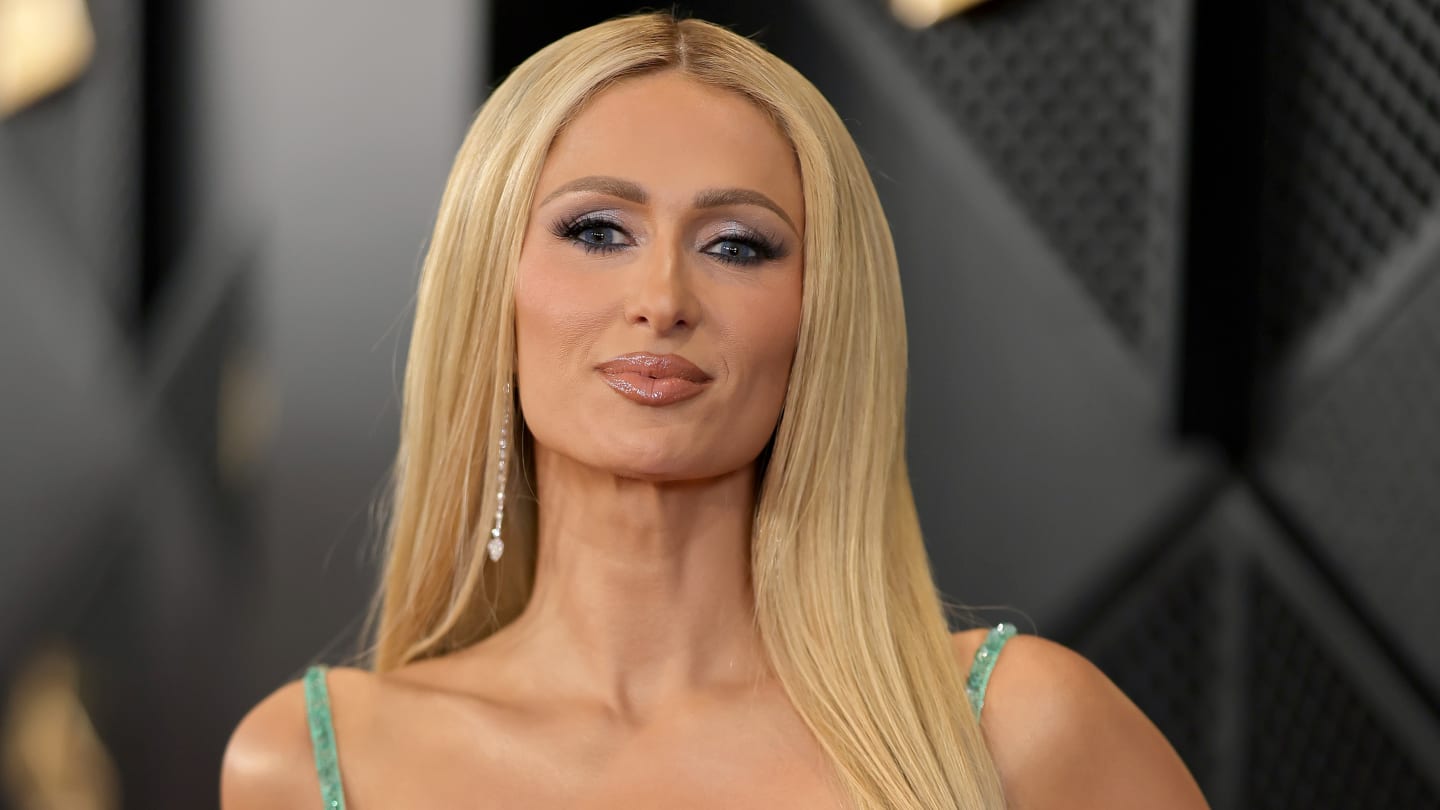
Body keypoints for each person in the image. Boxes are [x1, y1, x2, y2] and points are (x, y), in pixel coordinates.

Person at [220, 12, 1209, 809]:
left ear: (821, 315)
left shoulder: (1015, 729)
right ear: (489, 286)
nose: (663, 298)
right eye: (596, 230)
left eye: (736, 245)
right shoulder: (306, 764)